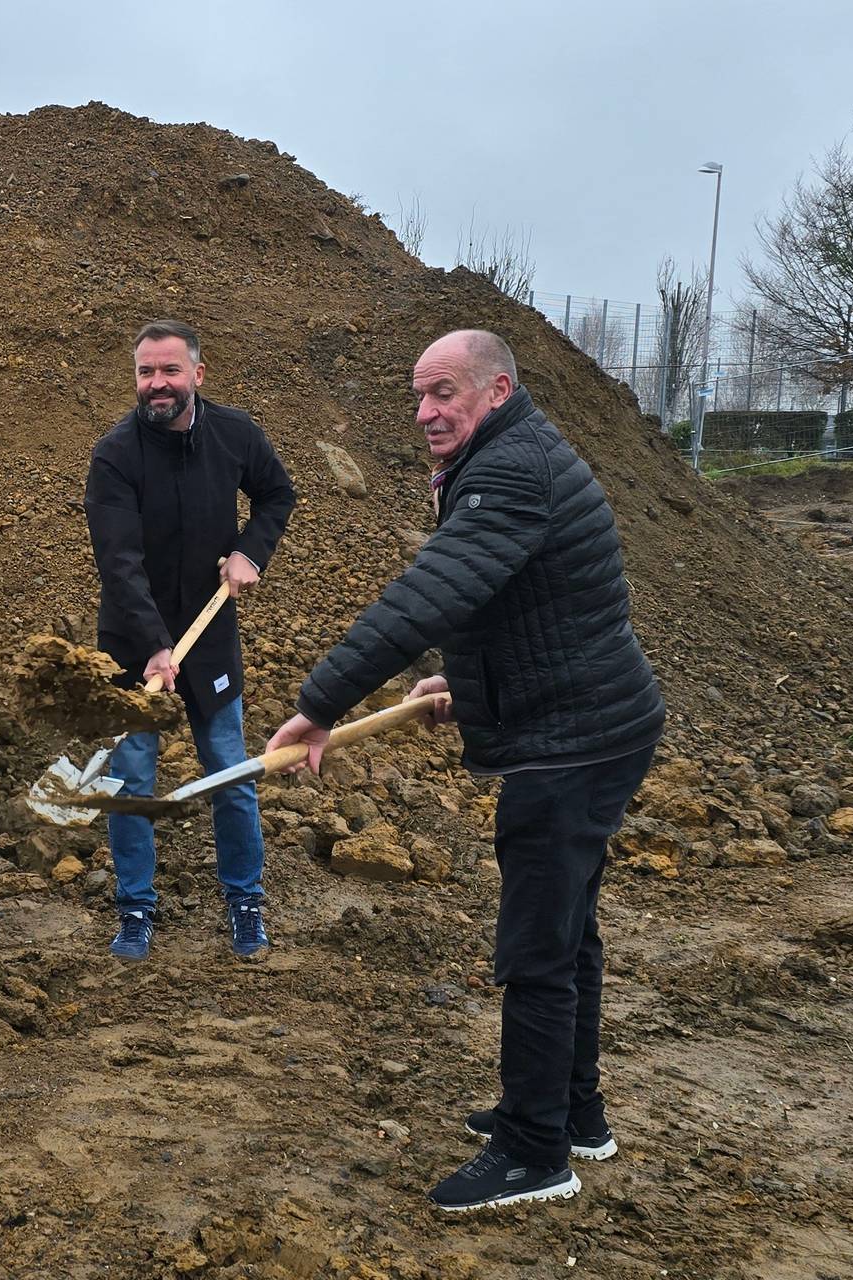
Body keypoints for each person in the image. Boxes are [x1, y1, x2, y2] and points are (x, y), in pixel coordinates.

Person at [265, 330, 664, 1213]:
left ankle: (534, 1153)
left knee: (536, 948)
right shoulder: (512, 453)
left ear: (496, 390)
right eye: (419, 395)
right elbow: (514, 596)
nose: (425, 413)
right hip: (592, 721)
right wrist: (466, 679)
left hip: (575, 742)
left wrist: (323, 700)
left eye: (444, 393)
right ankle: (574, 1113)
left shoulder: (508, 470)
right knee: (568, 933)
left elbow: (434, 589)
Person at [84, 319, 296, 961]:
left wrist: (250, 552)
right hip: (132, 640)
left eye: (170, 371)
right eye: (146, 372)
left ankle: (245, 901)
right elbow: (118, 562)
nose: (157, 384)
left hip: (209, 635)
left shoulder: (235, 434)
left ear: (197, 375)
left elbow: (277, 495)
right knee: (132, 779)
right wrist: (152, 645)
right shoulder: (115, 455)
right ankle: (136, 909)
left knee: (229, 769)